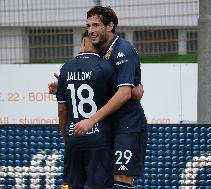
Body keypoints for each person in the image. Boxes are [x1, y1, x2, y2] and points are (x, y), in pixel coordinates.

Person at [73, 6, 148, 189]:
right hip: (105, 125)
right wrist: (63, 85)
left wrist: (91, 121)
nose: (91, 30)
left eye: (96, 25)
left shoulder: (123, 50)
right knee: (99, 180)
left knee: (121, 179)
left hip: (127, 123)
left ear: (110, 26)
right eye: (89, 25)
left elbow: (124, 94)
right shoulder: (95, 48)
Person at [56, 31, 116, 189]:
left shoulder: (66, 68)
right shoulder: (106, 68)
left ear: (83, 42)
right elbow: (116, 102)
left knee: (70, 185)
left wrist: (65, 136)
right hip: (99, 139)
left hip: (74, 137)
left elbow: (62, 110)